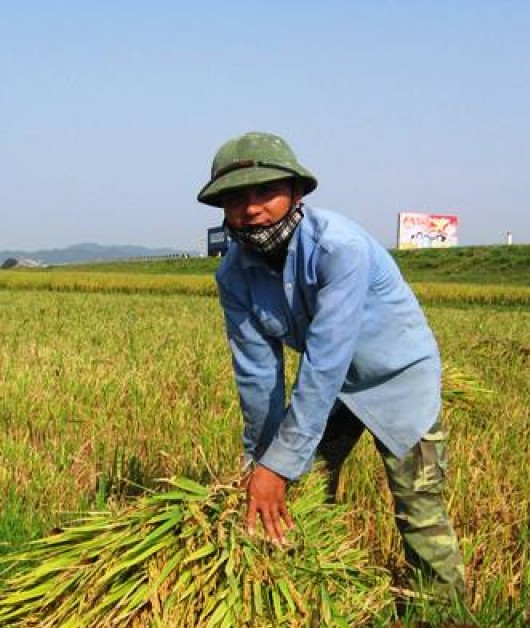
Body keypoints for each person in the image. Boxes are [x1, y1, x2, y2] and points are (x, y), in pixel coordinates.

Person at [197, 131, 466, 603]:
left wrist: (276, 467)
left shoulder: (338, 248)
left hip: (397, 380)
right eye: (237, 198)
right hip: (333, 392)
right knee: (302, 489)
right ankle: (316, 590)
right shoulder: (233, 274)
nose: (252, 208)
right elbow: (258, 378)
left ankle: (445, 618)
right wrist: (260, 464)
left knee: (417, 505)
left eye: (266, 192)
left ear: (297, 193)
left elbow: (324, 361)